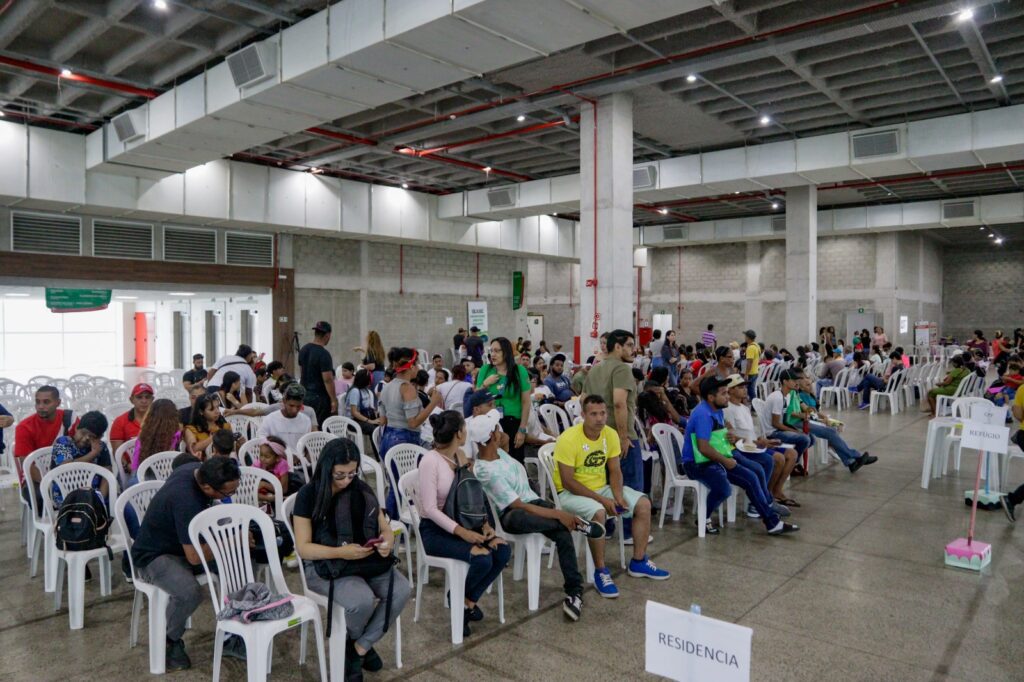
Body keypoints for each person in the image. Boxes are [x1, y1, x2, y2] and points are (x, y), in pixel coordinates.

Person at [293, 438, 410, 680]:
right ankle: (357, 644)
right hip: (325, 564)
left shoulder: (360, 488)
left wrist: (387, 541)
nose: (347, 480)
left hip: (362, 559)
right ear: (327, 469)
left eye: (352, 473)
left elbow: (383, 526)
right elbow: (303, 549)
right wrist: (340, 552)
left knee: (401, 590)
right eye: (340, 475)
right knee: (362, 600)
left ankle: (357, 648)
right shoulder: (308, 495)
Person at [469, 410, 600, 621]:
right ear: (492, 436)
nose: (501, 430)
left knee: (561, 529)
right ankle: (576, 528)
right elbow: (518, 504)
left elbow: (505, 443)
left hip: (533, 503)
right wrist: (558, 513)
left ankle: (575, 591)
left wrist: (558, 515)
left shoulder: (499, 453)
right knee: (559, 523)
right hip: (513, 514)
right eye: (497, 428)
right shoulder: (485, 469)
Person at [130, 457, 242, 671]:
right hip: (154, 555)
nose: (229, 498)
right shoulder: (186, 501)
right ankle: (169, 640)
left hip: (180, 545)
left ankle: (233, 633)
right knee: (189, 592)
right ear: (207, 487)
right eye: (227, 494)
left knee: (236, 564)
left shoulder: (194, 469)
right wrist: (231, 540)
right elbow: (194, 557)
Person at [553, 395, 668, 597]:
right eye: (594, 414)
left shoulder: (610, 434)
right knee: (598, 513)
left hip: (601, 489)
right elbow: (568, 481)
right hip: (570, 494)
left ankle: (638, 561)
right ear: (583, 415)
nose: (599, 418)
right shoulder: (568, 439)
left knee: (643, 504)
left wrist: (617, 496)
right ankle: (601, 571)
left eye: (603, 413)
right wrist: (603, 500)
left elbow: (615, 470)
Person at [416, 411, 510, 636]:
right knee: (482, 559)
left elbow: (473, 495)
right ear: (459, 433)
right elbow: (429, 508)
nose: (466, 432)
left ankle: (466, 601)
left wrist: (485, 524)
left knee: (502, 550)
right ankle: (458, 603)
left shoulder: (459, 456)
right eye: (464, 429)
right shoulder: (430, 461)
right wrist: (462, 533)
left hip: (464, 524)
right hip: (436, 531)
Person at [681, 377, 798, 536]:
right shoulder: (703, 414)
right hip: (697, 463)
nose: (727, 396)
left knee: (752, 475)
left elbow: (716, 437)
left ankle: (771, 521)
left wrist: (727, 435)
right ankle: (704, 517)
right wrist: (726, 461)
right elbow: (703, 447)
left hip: (715, 457)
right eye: (723, 393)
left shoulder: (717, 410)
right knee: (725, 488)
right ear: (710, 397)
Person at [581, 329, 645, 537]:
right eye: (628, 345)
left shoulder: (594, 370)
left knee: (606, 483)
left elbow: (583, 400)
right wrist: (623, 436)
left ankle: (606, 528)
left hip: (601, 437)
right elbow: (619, 403)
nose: (632, 349)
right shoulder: (621, 369)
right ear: (617, 347)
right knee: (630, 487)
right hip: (620, 437)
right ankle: (628, 533)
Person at [379, 348, 443, 515]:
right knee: (401, 485)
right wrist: (433, 403)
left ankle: (393, 524)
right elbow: (413, 422)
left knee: (395, 483)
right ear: (411, 366)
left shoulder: (387, 386)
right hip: (404, 439)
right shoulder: (407, 388)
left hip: (387, 437)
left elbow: (382, 419)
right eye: (417, 364)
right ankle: (396, 526)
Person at [723, 377, 796, 509]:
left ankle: (774, 491)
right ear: (731, 390)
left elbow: (751, 431)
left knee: (792, 454)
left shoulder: (744, 407)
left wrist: (764, 440)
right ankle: (761, 498)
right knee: (777, 458)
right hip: (745, 448)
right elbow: (732, 437)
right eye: (740, 387)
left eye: (745, 387)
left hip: (755, 444)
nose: (745, 390)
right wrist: (758, 442)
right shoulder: (728, 409)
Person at [15, 386, 79, 511]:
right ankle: (49, 529)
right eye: (37, 402)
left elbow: (80, 448)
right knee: (42, 498)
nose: (40, 406)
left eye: (46, 402)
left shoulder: (69, 419)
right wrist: (51, 483)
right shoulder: (24, 427)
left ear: (58, 403)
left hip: (68, 474)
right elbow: (27, 465)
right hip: (36, 478)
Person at [476, 336, 532, 464]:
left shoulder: (519, 371)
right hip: (491, 424)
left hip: (513, 423)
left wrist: (522, 430)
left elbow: (526, 402)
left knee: (515, 462)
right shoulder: (486, 370)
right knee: (494, 463)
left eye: (497, 351)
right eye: (491, 351)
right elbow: (476, 398)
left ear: (506, 352)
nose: (493, 354)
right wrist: (485, 384)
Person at [50, 411, 112, 504]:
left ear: (100, 437)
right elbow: (66, 468)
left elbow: (107, 476)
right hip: (66, 496)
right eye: (83, 433)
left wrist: (100, 500)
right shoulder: (63, 443)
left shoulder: (101, 447)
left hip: (94, 497)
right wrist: (93, 454)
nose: (85, 438)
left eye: (92, 437)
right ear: (76, 427)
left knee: (123, 510)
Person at [299, 321, 338, 426]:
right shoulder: (324, 354)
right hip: (319, 398)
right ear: (327, 335)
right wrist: (333, 400)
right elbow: (328, 380)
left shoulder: (303, 349)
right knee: (319, 428)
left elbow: (302, 372)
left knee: (306, 426)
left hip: (304, 395)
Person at [131, 398, 184, 477]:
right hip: (167, 475)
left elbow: (135, 462)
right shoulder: (177, 434)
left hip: (141, 474)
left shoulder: (143, 433)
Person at [257, 383, 313, 453]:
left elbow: (307, 446)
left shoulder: (306, 420)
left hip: (299, 461)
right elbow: (262, 442)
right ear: (284, 401)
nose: (294, 410)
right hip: (277, 460)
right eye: (291, 406)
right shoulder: (270, 419)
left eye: (298, 406)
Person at [110, 382, 154, 454]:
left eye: (147, 397)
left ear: (152, 400)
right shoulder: (119, 421)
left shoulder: (159, 420)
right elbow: (117, 452)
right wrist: (127, 465)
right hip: (129, 464)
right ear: (131, 400)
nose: (144, 401)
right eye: (139, 397)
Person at [347, 369, 385, 436]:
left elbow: (368, 406)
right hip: (353, 422)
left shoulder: (366, 390)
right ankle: (376, 446)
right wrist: (370, 421)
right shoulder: (355, 391)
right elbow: (354, 412)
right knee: (373, 429)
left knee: (383, 424)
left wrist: (376, 414)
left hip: (364, 417)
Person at [743, 330, 760, 402]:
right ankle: (754, 407)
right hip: (755, 371)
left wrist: (746, 374)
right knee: (751, 390)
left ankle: (754, 407)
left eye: (745, 336)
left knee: (750, 391)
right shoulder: (757, 346)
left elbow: (749, 362)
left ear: (748, 337)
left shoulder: (750, 348)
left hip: (751, 372)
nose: (744, 337)